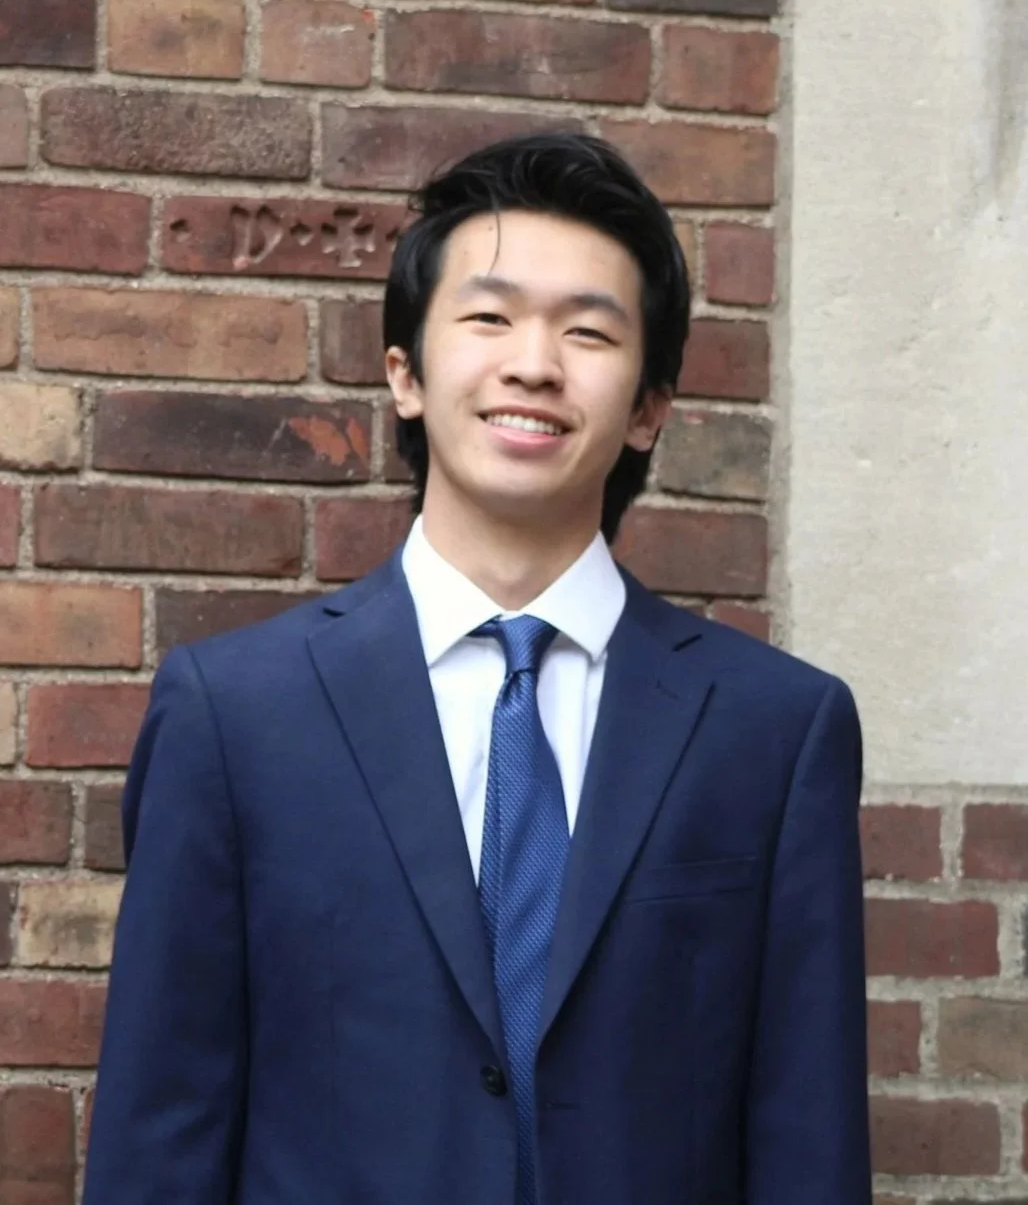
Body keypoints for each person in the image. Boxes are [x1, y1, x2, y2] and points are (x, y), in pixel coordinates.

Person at [83, 132, 872, 1205]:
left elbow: (806, 1140)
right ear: (405, 374)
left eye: (588, 331)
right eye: (489, 317)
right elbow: (159, 1129)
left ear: (648, 408)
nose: (534, 363)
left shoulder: (774, 729)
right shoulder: (236, 714)